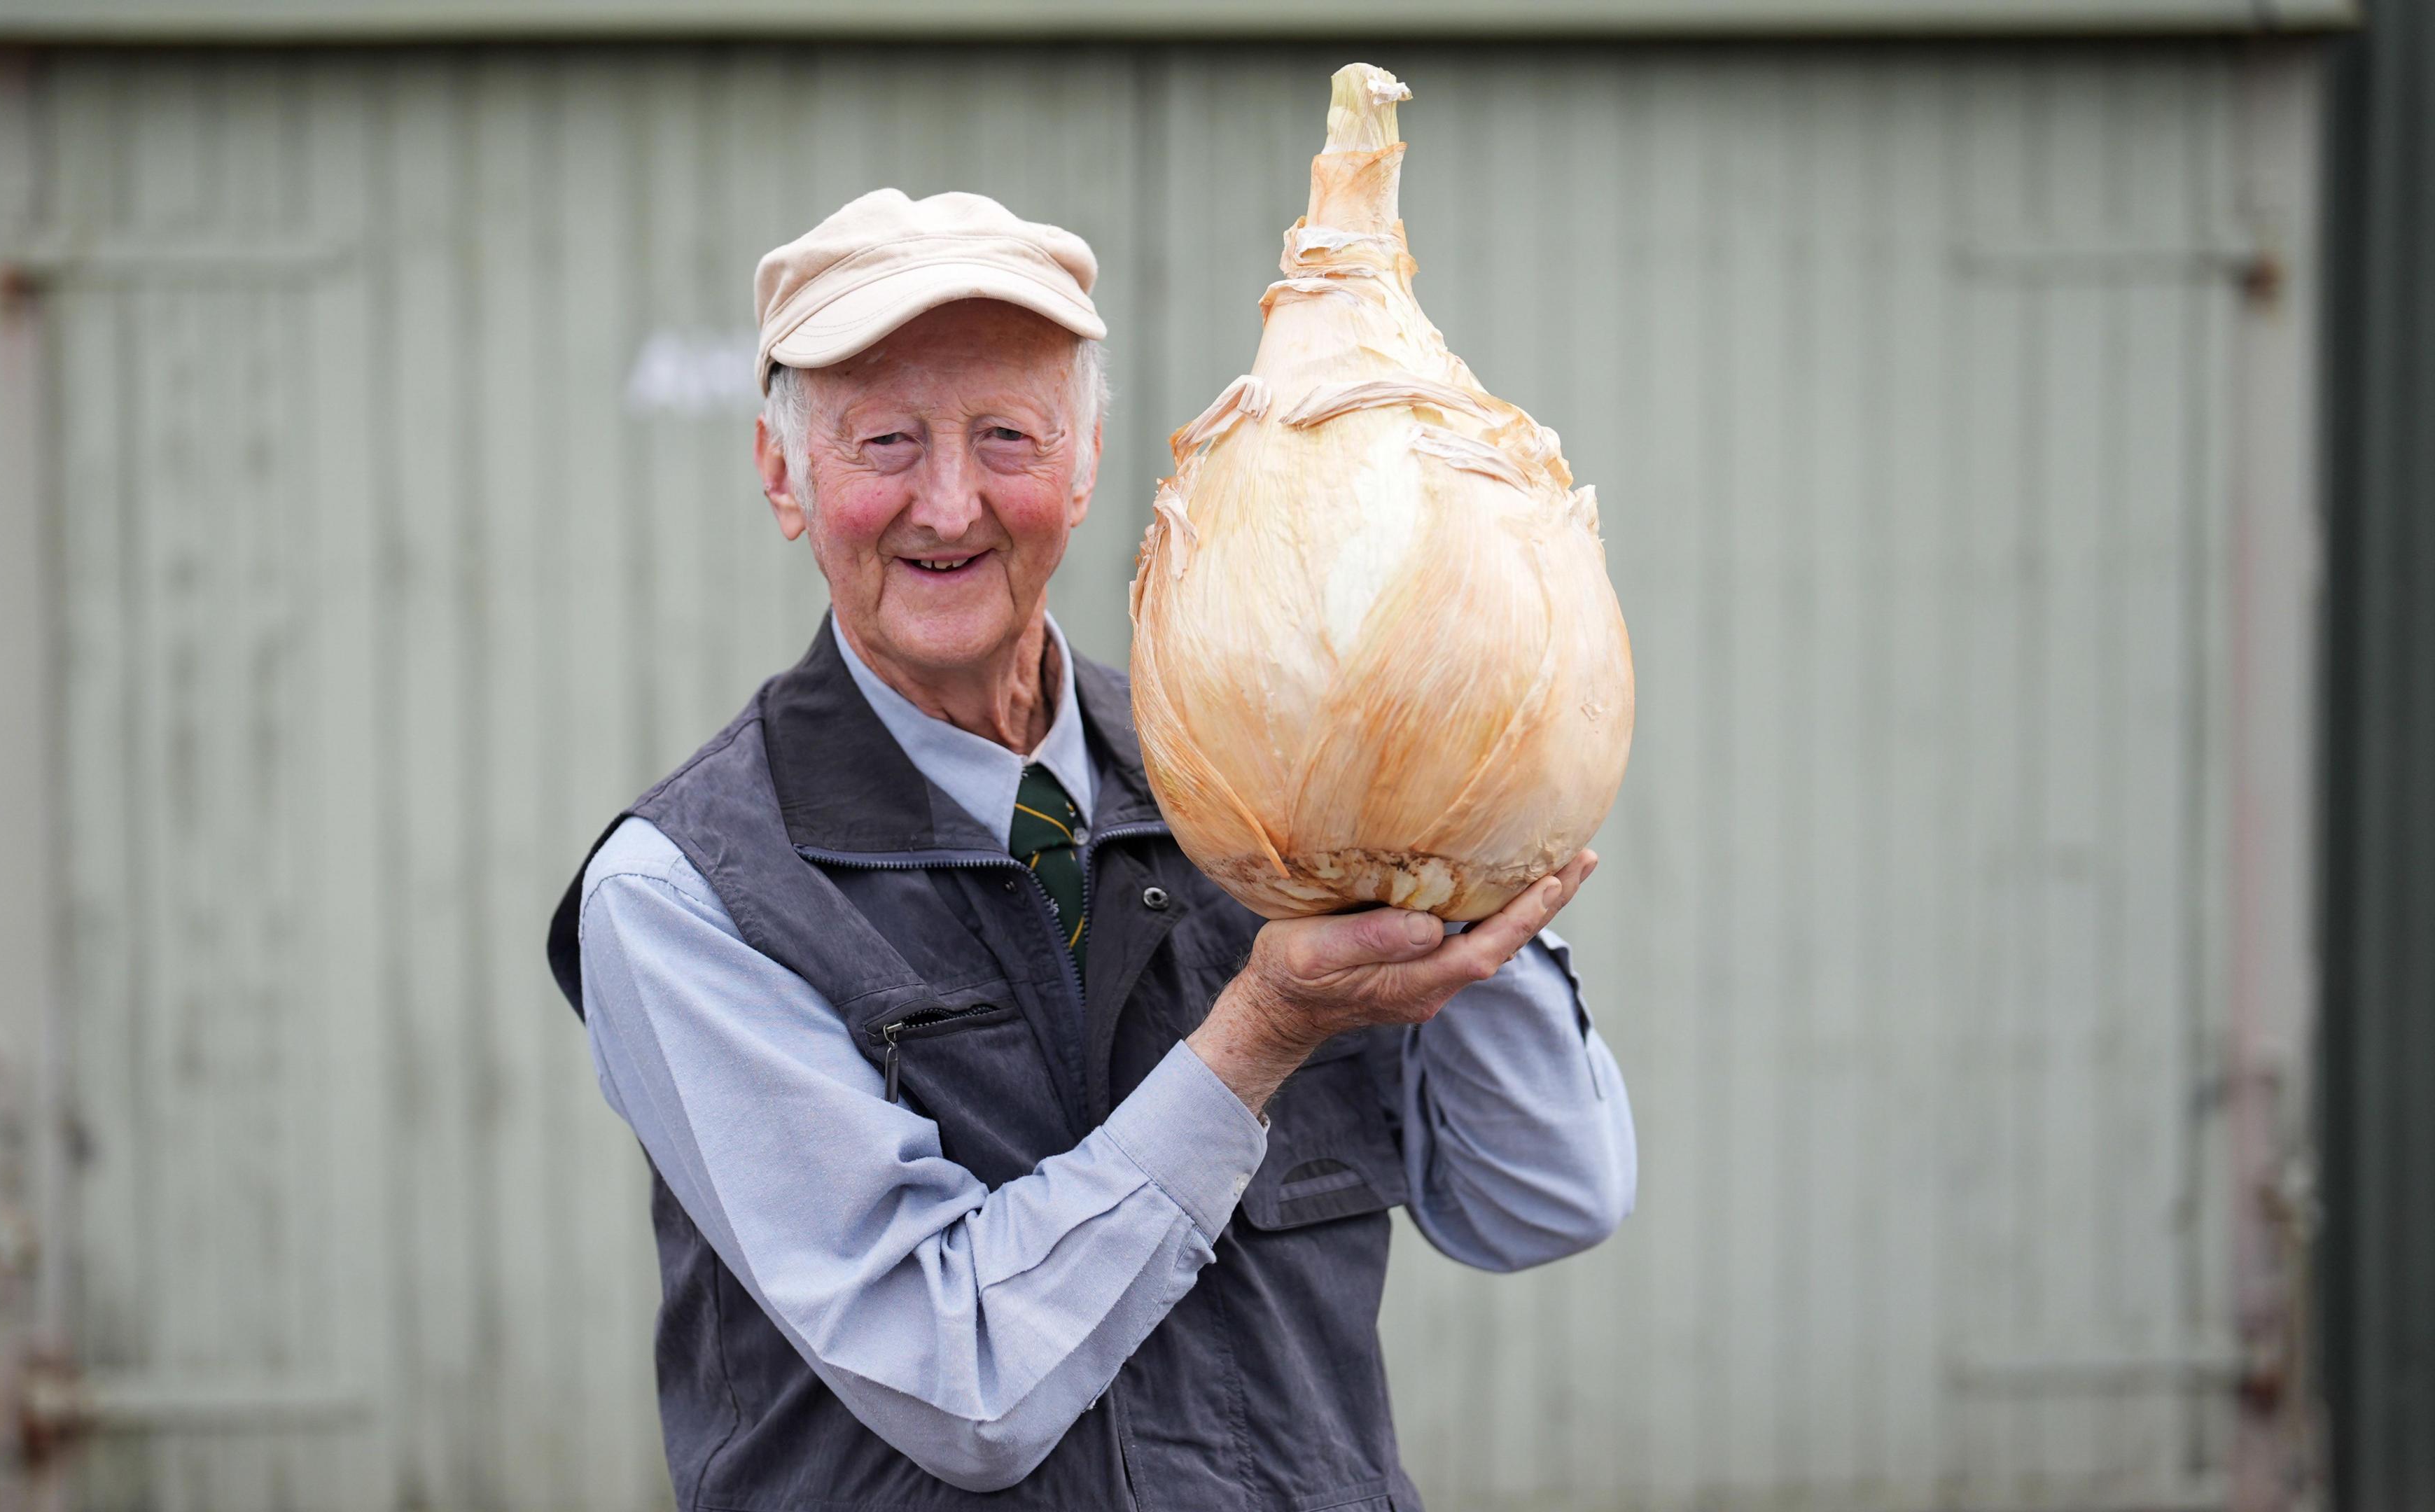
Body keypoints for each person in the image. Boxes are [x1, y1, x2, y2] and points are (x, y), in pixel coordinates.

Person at [546, 188, 1635, 1511]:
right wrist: (1258, 1035)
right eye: (884, 441)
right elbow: (961, 1379)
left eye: (1007, 435)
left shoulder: (1257, 762)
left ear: (1086, 459)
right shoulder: (689, 896)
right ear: (786, 476)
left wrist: (1467, 826)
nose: (948, 507)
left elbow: (1542, 1200)